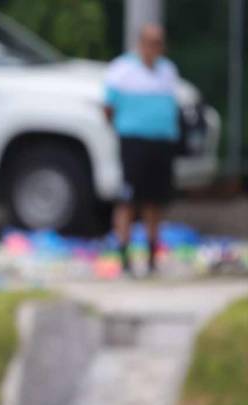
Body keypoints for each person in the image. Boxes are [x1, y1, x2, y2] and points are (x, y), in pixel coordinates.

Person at [104, 24, 180, 276]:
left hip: (161, 144)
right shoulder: (121, 70)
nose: (155, 48)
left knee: (154, 202)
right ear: (140, 43)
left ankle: (151, 258)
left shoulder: (168, 70)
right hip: (133, 143)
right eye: (151, 42)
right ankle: (124, 258)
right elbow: (108, 107)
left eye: (159, 43)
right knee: (128, 200)